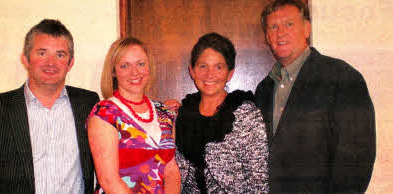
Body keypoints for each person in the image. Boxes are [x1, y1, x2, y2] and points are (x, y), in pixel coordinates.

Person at [0, 19, 99, 194]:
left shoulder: (88, 103)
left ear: (70, 63)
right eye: (42, 53)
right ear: (25, 59)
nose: (51, 62)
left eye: (60, 55)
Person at [255, 0, 376, 193]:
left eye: (289, 24)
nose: (281, 32)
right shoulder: (263, 90)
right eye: (273, 26)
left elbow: (357, 159)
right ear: (267, 37)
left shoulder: (342, 77)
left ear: (307, 29)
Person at [175, 32, 269, 193]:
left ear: (230, 73)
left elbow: (259, 180)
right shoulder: (183, 112)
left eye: (218, 67)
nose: (209, 74)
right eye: (203, 66)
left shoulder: (246, 114)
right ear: (192, 71)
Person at [87, 37, 181, 193]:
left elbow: (171, 170)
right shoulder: (105, 113)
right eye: (125, 66)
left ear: (149, 66)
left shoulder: (165, 113)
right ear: (114, 71)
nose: (135, 72)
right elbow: (109, 181)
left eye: (141, 64)